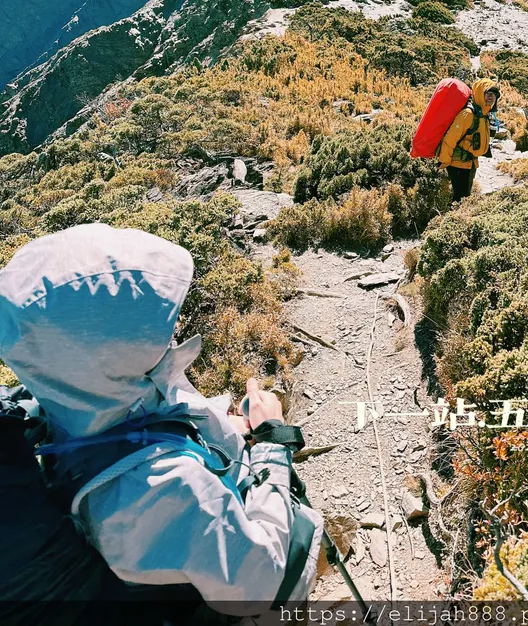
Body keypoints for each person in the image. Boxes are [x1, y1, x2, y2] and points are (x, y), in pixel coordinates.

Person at [0, 223, 323, 616]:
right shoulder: (163, 488)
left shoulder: (74, 403)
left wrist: (216, 428)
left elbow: (149, 422)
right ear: (106, 355)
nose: (176, 327)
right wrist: (274, 442)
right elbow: (257, 581)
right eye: (151, 329)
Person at [438, 78, 500, 203]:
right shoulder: (468, 114)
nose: (491, 97)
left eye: (494, 94)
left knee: (464, 197)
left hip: (470, 163)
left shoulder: (484, 114)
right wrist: (444, 161)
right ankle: (453, 221)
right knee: (460, 200)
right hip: (458, 164)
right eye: (488, 93)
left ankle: (456, 219)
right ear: (479, 93)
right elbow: (450, 139)